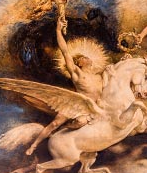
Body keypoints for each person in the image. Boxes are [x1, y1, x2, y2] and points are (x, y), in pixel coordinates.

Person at [25, 13, 106, 155]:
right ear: (78, 63)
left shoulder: (100, 76)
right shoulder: (77, 74)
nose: (85, 58)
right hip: (77, 105)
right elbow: (65, 51)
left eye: (85, 56)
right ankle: (34, 145)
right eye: (81, 58)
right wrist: (58, 30)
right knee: (56, 123)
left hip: (95, 107)